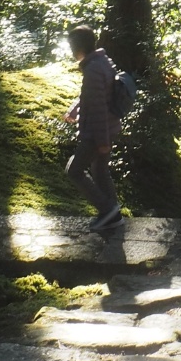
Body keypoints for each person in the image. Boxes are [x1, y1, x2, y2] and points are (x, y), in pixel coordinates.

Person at [63, 24, 123, 232]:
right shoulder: (101, 62)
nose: (71, 50)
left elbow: (98, 108)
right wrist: (74, 110)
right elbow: (93, 96)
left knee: (74, 170)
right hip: (107, 129)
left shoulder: (94, 70)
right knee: (100, 170)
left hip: (97, 133)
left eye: (71, 45)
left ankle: (108, 210)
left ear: (78, 46)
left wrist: (102, 141)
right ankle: (114, 215)